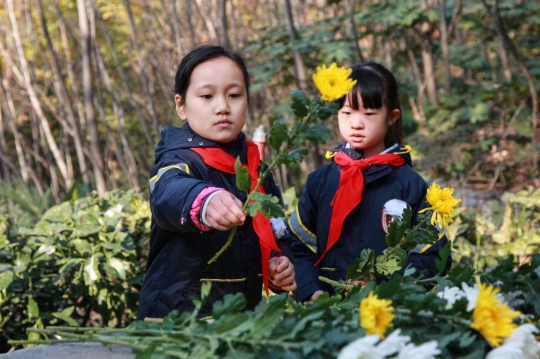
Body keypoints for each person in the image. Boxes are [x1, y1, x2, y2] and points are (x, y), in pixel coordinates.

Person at [138, 45, 296, 319]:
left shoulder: (256, 167)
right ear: (181, 105)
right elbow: (167, 193)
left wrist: (277, 266)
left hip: (240, 319)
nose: (223, 107)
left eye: (234, 95)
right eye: (207, 96)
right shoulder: (178, 159)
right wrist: (203, 200)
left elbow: (273, 232)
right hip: (178, 321)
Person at [288, 61, 451, 303]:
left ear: (392, 117)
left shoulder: (409, 185)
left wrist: (383, 284)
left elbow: (435, 257)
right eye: (347, 112)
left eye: (369, 113)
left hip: (388, 313)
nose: (356, 123)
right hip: (323, 315)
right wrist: (312, 291)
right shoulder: (320, 182)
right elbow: (296, 246)